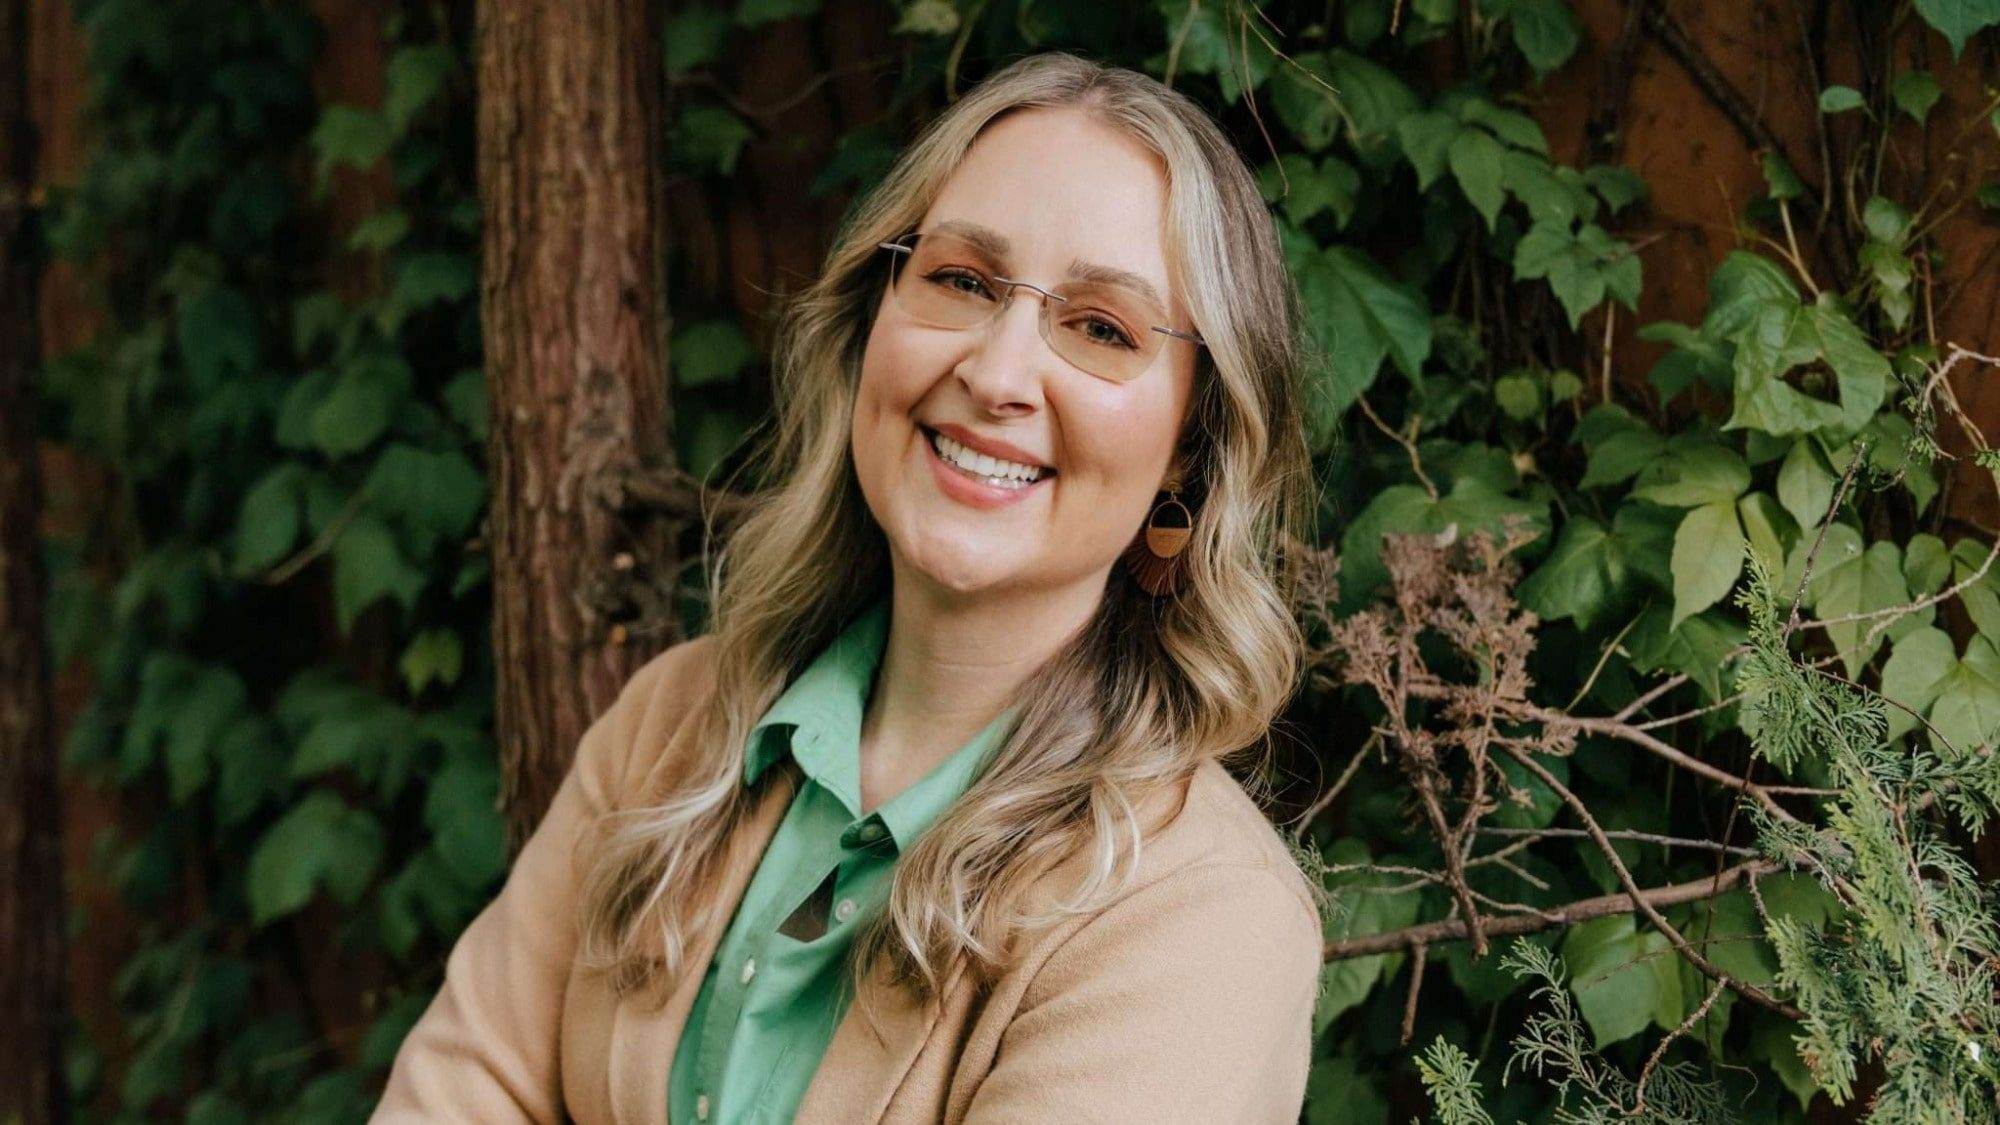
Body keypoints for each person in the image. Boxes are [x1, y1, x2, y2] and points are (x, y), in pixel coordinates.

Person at [373, 50, 1328, 1125]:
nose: (996, 374)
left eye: (1100, 327)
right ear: (867, 322)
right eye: (961, 281)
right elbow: (465, 1092)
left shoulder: (1198, 918)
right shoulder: (675, 722)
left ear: (1189, 453)